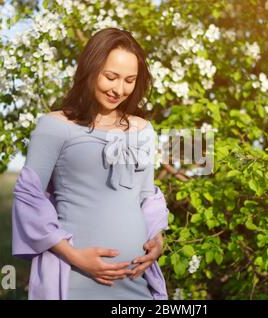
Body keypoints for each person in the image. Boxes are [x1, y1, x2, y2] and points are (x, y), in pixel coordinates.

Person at [20, 27, 166, 299]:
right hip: (75, 277)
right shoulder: (55, 126)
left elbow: (146, 196)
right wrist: (76, 257)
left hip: (134, 279)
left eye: (130, 80)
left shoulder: (142, 130)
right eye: (111, 77)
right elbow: (28, 197)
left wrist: (158, 241)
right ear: (90, 68)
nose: (119, 89)